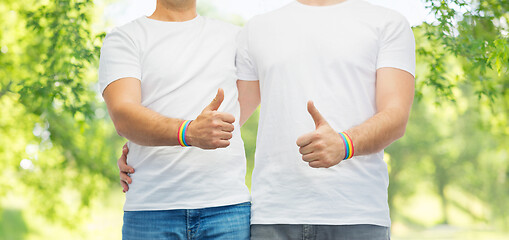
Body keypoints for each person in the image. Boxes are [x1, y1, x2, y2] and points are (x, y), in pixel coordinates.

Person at [121, 0, 415, 239]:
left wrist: (345, 144)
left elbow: (396, 116)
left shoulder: (387, 23)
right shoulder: (257, 29)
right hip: (272, 216)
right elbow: (226, 119)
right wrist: (139, 149)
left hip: (357, 215)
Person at [98, 0, 251, 239]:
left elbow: (248, 102)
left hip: (227, 207)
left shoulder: (236, 39)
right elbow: (123, 115)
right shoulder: (125, 38)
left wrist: (211, 131)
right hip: (152, 211)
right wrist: (188, 132)